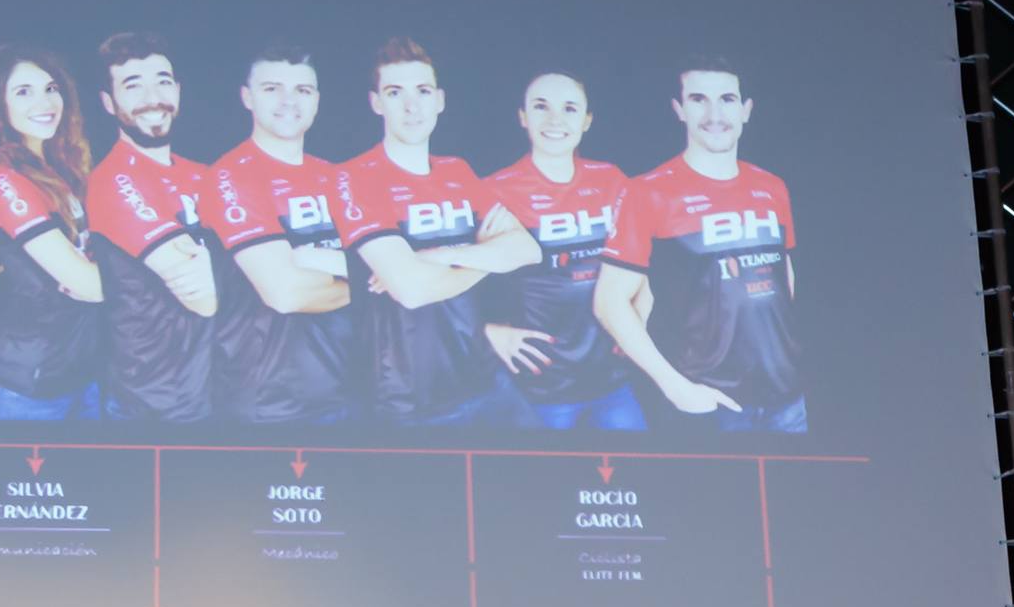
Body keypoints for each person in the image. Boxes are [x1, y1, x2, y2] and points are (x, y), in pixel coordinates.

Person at [594, 54, 805, 432]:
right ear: (680, 109)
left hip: (787, 399)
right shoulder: (648, 192)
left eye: (726, 99)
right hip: (710, 403)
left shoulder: (772, 186)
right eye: (698, 99)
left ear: (746, 110)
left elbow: (782, 275)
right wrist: (675, 387)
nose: (714, 114)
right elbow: (609, 303)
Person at [337, 38, 539, 426]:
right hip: (409, 401)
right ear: (376, 103)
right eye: (395, 93)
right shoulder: (354, 176)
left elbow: (527, 249)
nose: (412, 106)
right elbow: (411, 291)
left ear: (439, 100)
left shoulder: (456, 171)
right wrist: (484, 254)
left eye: (423, 91)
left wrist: (439, 256)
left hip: (485, 380)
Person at [482, 72, 643, 430]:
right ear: (522, 117)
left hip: (613, 382)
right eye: (541, 107)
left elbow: (641, 265)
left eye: (569, 109)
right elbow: (453, 278)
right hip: (541, 388)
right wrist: (487, 331)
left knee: (640, 478)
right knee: (542, 485)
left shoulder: (612, 179)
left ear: (586, 121)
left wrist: (638, 321)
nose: (555, 120)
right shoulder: (494, 190)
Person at [205, 43, 355, 426]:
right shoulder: (231, 176)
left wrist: (304, 257)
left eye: (302, 90)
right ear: (247, 97)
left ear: (317, 101)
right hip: (267, 401)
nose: (289, 101)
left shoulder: (337, 177)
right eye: (272, 88)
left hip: (346, 388)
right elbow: (285, 294)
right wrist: (378, 282)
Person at [0, 43, 106, 420]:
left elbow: (100, 271)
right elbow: (89, 283)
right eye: (23, 92)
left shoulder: (64, 167)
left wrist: (104, 275)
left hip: (84, 378)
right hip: (25, 390)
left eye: (50, 88)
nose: (44, 102)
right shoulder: (3, 179)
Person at [84, 32, 220, 422]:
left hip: (220, 388)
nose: (152, 97)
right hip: (158, 402)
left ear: (178, 90)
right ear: (108, 103)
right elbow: (203, 296)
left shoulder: (205, 175)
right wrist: (271, 265)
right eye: (132, 85)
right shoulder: (112, 180)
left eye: (162, 81)